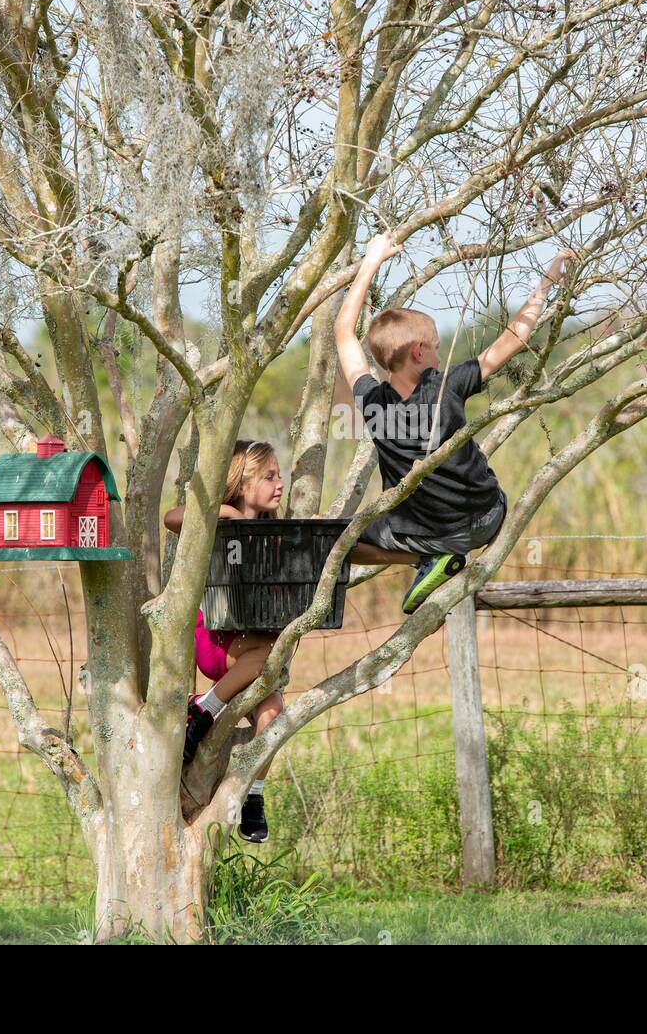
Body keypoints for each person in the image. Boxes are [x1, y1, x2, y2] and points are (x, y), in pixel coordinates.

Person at [334, 234, 575, 614]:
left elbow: (343, 333)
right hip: (487, 517)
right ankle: (435, 558)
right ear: (418, 352)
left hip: (426, 534)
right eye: (434, 345)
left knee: (335, 541)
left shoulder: (371, 401)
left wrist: (370, 261)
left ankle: (423, 560)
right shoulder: (444, 385)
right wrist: (545, 284)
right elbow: (513, 339)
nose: (438, 352)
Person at [163, 439, 287, 843]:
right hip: (217, 639)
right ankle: (205, 708)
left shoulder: (272, 531)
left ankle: (253, 796)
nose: (279, 483)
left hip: (249, 651)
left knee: (273, 716)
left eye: (279, 475)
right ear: (242, 481)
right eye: (269, 476)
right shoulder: (229, 518)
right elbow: (173, 517)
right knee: (269, 657)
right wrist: (225, 511)